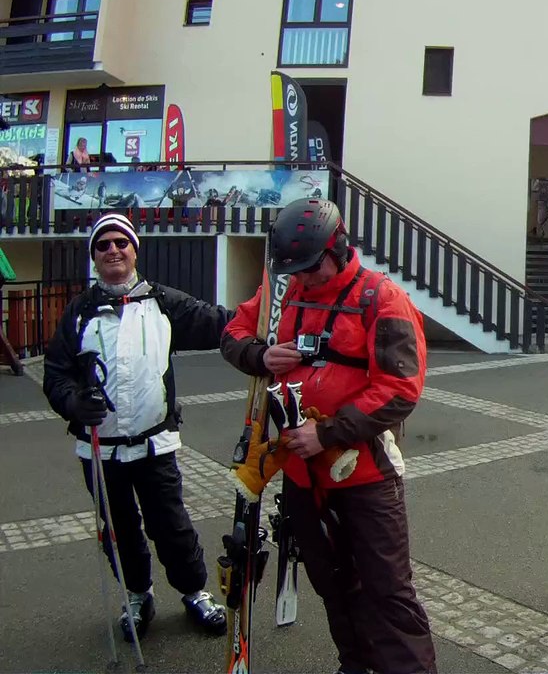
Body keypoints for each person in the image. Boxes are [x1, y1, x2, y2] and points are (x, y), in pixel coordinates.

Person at [220, 199, 438, 674]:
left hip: (366, 478)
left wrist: (329, 432)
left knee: (388, 592)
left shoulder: (381, 298)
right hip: (301, 478)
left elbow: (400, 389)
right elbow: (234, 331)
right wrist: (259, 356)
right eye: (294, 268)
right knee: (333, 584)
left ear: (337, 247)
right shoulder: (283, 292)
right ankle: (355, 665)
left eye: (311, 266)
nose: (304, 278)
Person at [41, 213, 231, 642]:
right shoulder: (78, 314)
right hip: (100, 449)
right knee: (118, 527)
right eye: (103, 244)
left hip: (153, 444)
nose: (113, 250)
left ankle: (193, 591)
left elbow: (218, 322)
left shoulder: (161, 301)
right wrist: (73, 403)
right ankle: (137, 594)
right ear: (93, 256)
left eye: (121, 243)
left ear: (134, 251)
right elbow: (56, 374)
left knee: (171, 523)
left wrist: (264, 314)